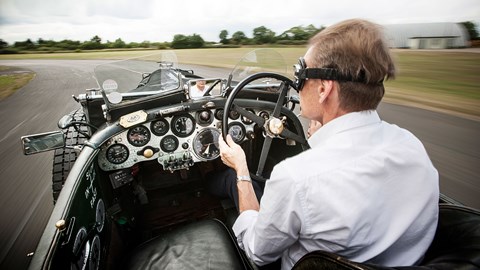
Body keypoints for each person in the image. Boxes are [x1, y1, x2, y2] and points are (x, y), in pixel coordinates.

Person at [216, 19, 439, 269]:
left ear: (323, 88)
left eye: (300, 73)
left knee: (232, 180)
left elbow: (257, 252)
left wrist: (242, 169)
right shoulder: (413, 147)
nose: (296, 85)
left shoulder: (295, 177)